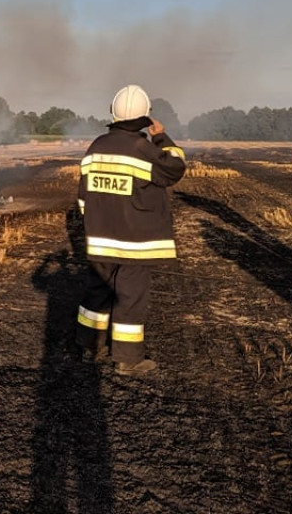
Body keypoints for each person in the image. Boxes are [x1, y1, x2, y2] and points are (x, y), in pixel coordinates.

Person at [74, 84, 186, 376]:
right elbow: (174, 168)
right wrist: (161, 137)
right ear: (145, 117)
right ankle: (127, 358)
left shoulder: (96, 147)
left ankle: (89, 347)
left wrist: (93, 225)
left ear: (113, 114)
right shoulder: (142, 148)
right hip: (134, 241)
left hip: (98, 238)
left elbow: (83, 196)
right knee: (130, 297)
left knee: (97, 292)